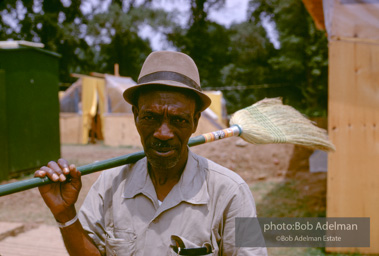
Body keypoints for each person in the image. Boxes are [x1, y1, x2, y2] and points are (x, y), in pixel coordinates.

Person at [35, 51, 267, 255]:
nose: (163, 133)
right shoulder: (110, 184)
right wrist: (65, 214)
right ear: (135, 116)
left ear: (195, 121)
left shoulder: (231, 192)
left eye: (178, 120)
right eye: (151, 117)